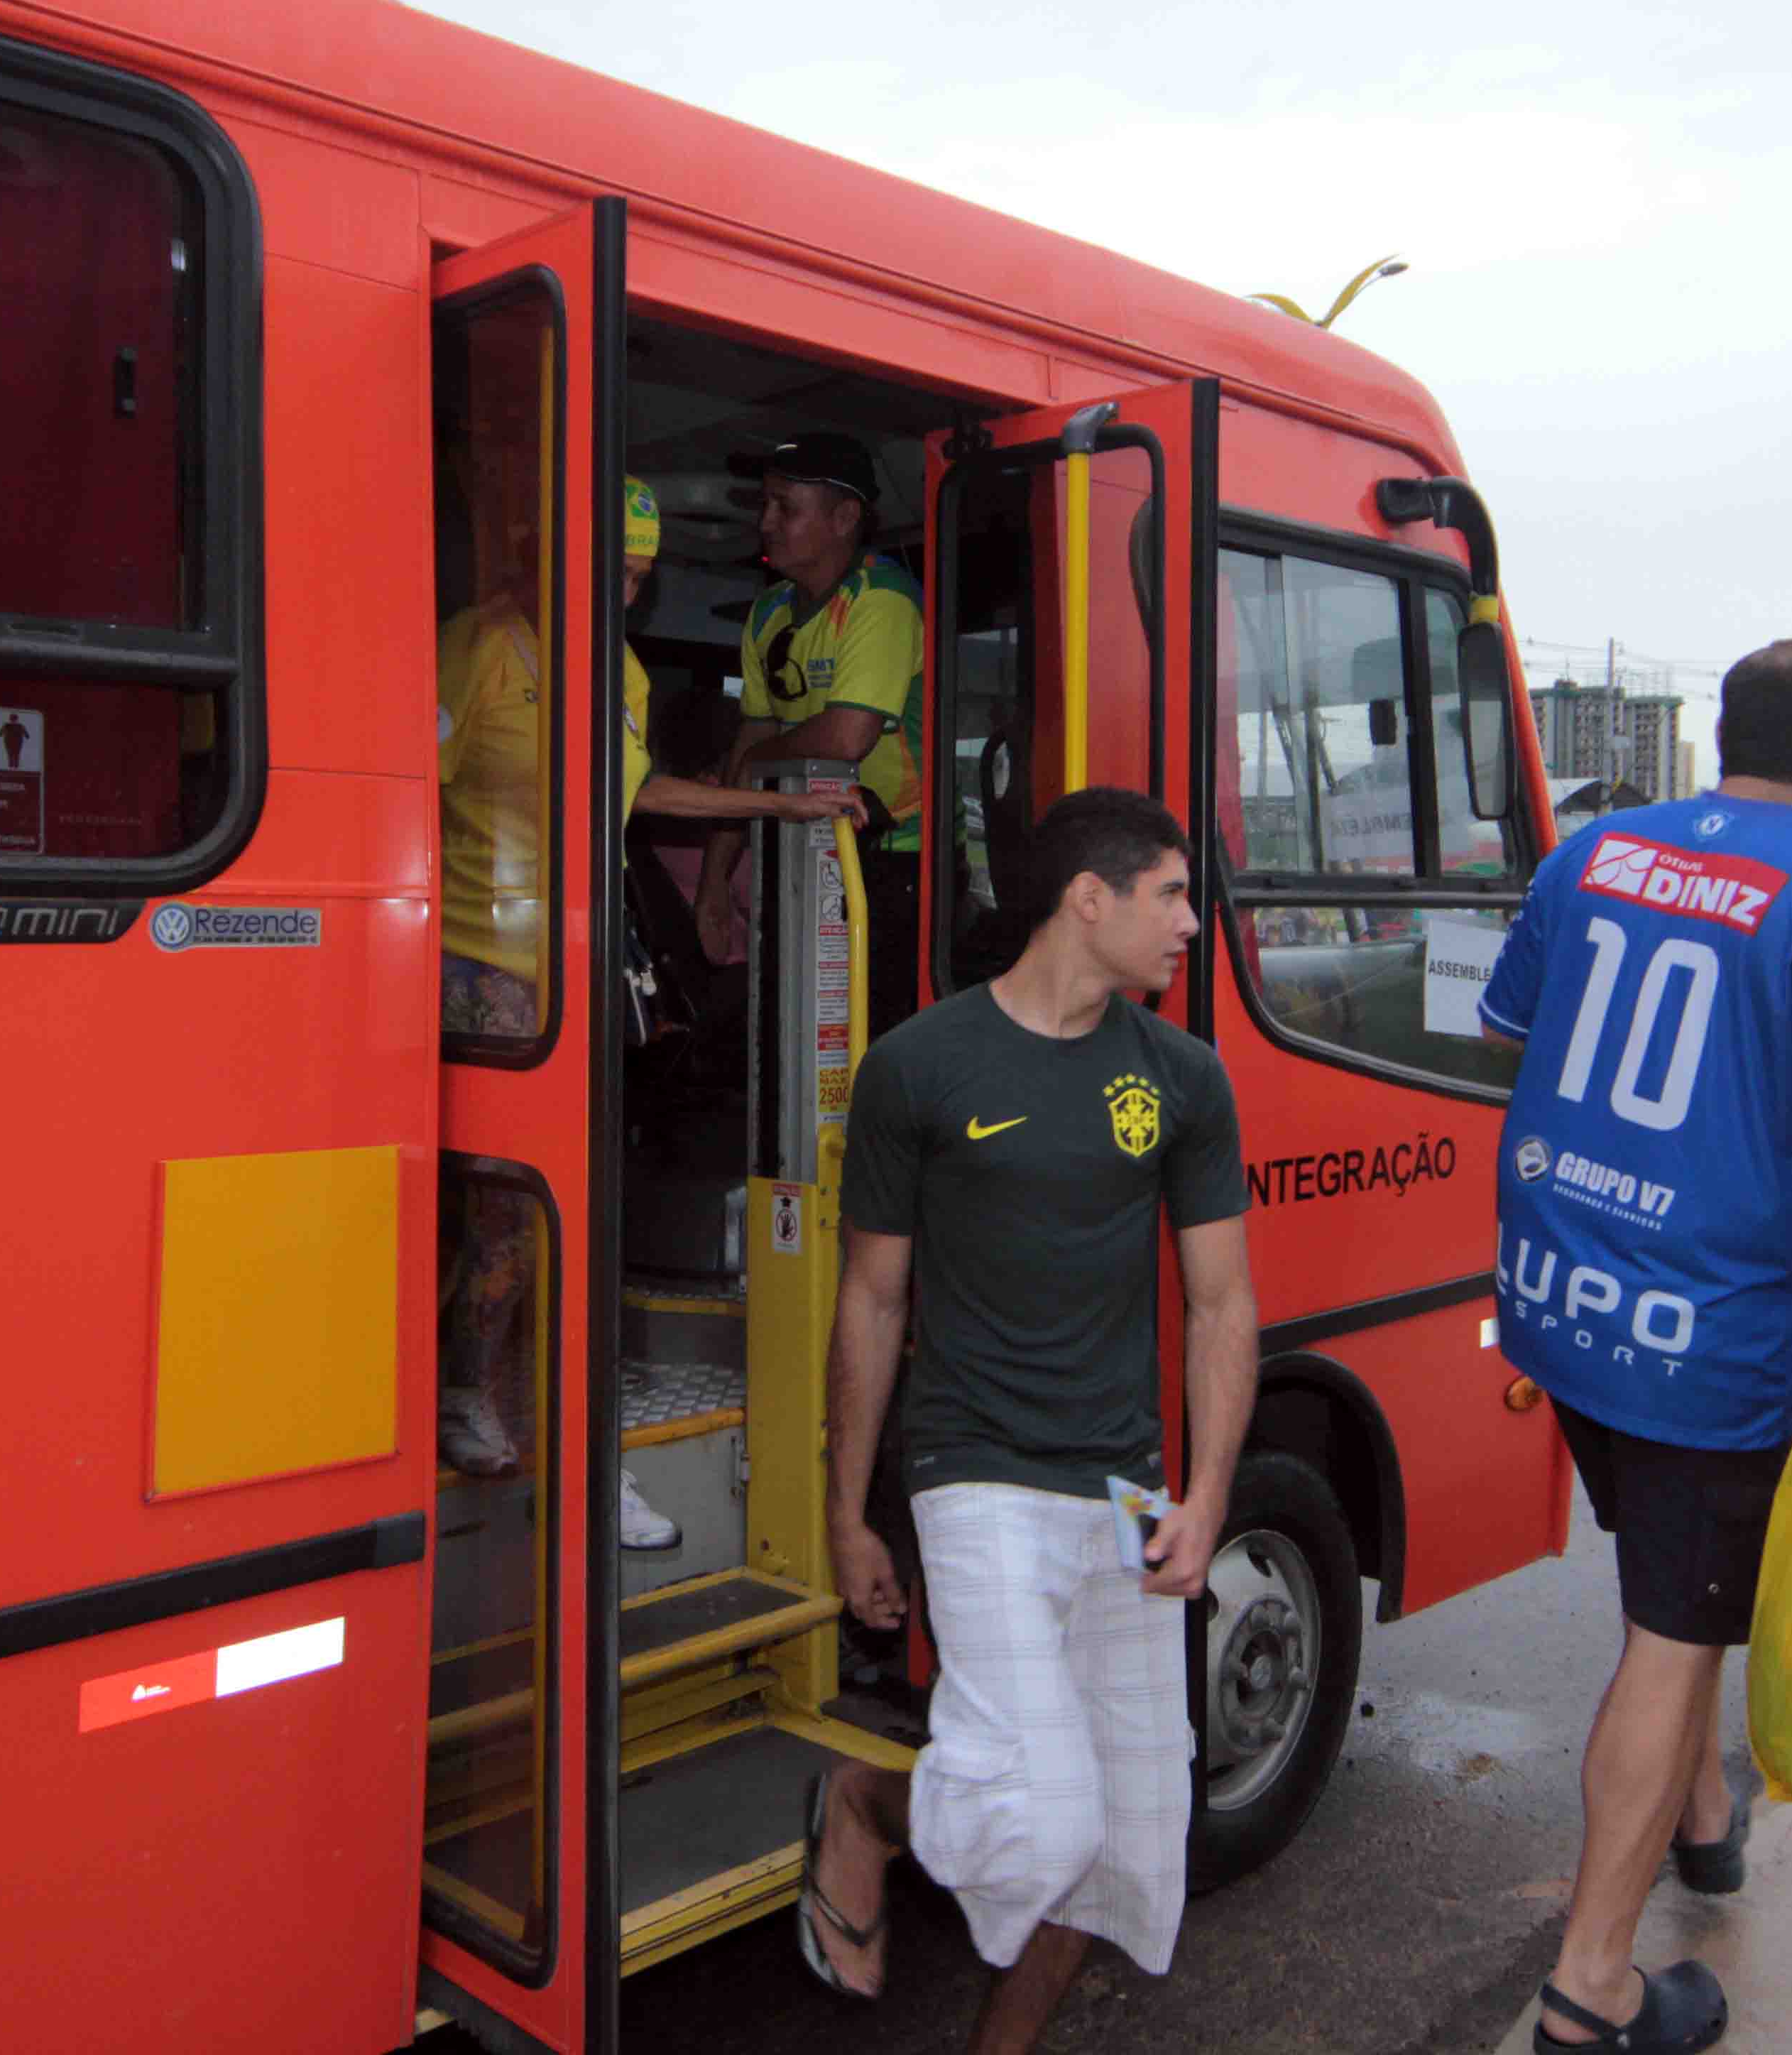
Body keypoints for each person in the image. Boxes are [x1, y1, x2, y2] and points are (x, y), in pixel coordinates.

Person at [1477, 639, 1792, 2055]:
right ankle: (1593, 1987)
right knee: (1674, 1632)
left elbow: (1513, 1031)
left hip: (1561, 1290)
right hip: (1702, 1322)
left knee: (1670, 1573)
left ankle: (1701, 1818)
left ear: (1720, 735)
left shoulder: (1595, 852)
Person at [801, 788, 1252, 2049]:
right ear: (1086, 898)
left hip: (1122, 1490)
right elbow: (873, 1299)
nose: (1186, 925)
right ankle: (867, 1807)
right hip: (972, 1463)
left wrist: (1205, 1495)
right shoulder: (920, 1065)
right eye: (1168, 895)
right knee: (1040, 1816)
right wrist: (847, 1514)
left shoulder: (1179, 1077)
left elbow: (1220, 1306)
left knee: (1128, 1842)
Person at [438, 476, 861, 1541]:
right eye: (610, 570)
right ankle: (465, 1396)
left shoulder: (616, 670)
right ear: (549, 554)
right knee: (503, 1214)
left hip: (569, 976)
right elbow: (400, 781)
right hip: (464, 963)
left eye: (637, 578)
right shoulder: (479, 648)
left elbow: (636, 795)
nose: (622, 594)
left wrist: (785, 805)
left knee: (573, 1208)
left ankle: (564, 1430)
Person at [696, 433, 929, 1037]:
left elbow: (848, 736)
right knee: (793, 1036)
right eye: (764, 505)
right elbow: (746, 749)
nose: (766, 522)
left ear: (844, 518)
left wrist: (762, 759)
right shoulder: (769, 613)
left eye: (786, 507)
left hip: (894, 861)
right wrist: (715, 881)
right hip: (798, 853)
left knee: (872, 1043)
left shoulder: (882, 599)